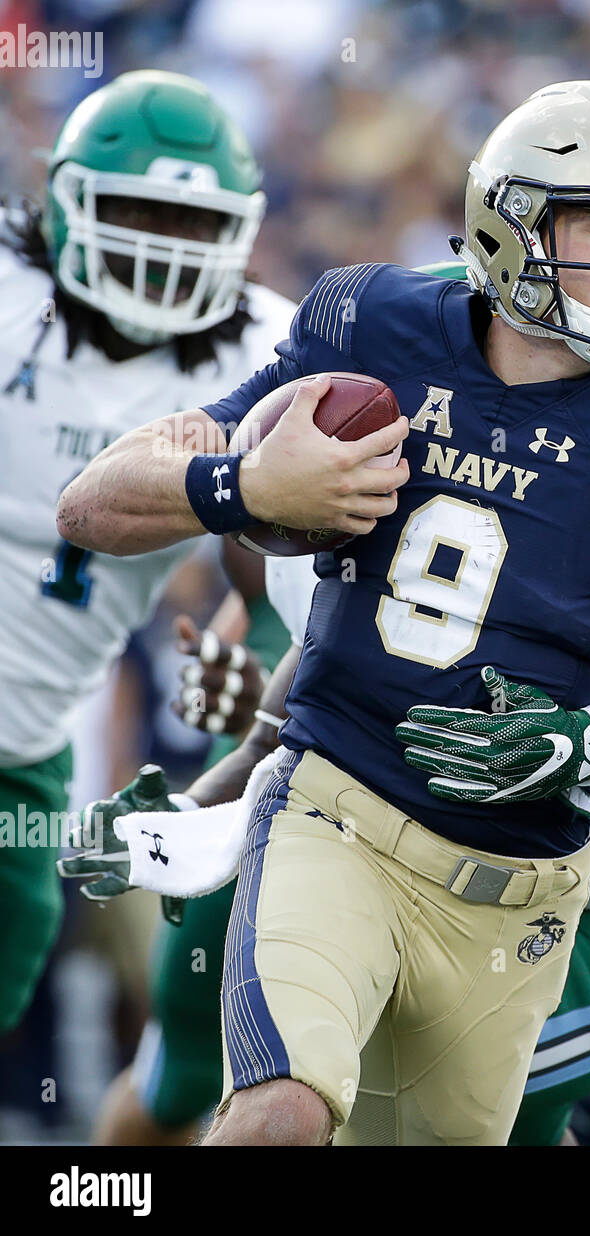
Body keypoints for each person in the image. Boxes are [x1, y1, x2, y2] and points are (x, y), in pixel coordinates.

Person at [56, 80, 590, 1146]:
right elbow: (95, 502)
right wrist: (241, 491)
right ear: (510, 224)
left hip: (539, 893)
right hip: (337, 815)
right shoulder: (374, 335)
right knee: (275, 1112)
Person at [0, 69, 292, 1037]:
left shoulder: (266, 353)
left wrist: (251, 654)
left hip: (26, 748)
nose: (159, 246)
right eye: (134, 210)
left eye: (189, 223)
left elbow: (296, 565)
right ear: (70, 202)